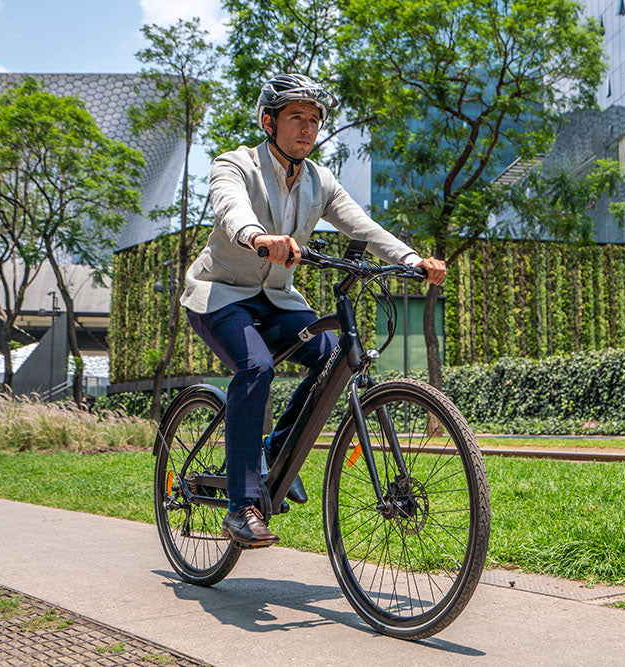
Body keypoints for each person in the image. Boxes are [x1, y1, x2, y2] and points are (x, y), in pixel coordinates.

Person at [180, 73, 446, 547]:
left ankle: (276, 451)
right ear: (268, 121)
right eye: (296, 117)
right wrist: (258, 237)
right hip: (220, 294)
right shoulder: (236, 164)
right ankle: (241, 506)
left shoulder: (320, 181)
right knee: (255, 365)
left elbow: (362, 225)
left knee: (333, 356)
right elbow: (230, 207)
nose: (308, 128)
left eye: (315, 119)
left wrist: (411, 260)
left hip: (276, 299)